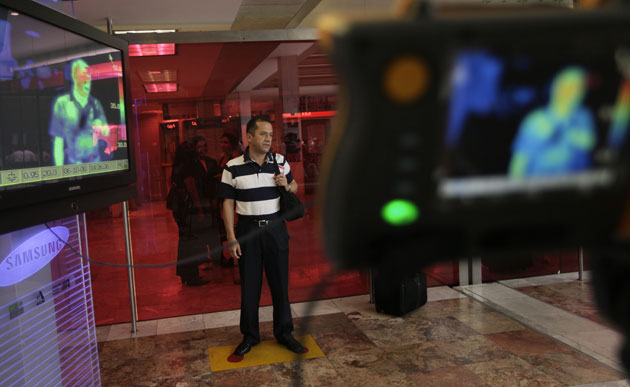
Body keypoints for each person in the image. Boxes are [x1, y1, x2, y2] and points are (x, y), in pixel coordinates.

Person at [219, 116, 306, 356]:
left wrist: (286, 186)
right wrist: (231, 236)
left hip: (276, 229)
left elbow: (295, 186)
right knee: (250, 286)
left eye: (270, 135)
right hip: (247, 231)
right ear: (249, 137)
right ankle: (250, 336)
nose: (269, 139)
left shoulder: (279, 162)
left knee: (280, 285)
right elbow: (227, 203)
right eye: (263, 134)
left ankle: (285, 333)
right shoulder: (232, 166)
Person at [509, 66, 597, 178]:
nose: (572, 91)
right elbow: (519, 161)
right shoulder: (535, 120)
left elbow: (589, 144)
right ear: (554, 87)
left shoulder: (584, 117)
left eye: (578, 87)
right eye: (566, 86)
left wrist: (567, 131)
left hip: (576, 186)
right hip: (539, 186)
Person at [49, 59, 110, 166]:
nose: (87, 82)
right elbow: (58, 141)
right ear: (75, 78)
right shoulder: (62, 103)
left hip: (96, 163)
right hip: (74, 165)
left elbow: (107, 133)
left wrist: (102, 128)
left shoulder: (95, 104)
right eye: (83, 77)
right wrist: (58, 172)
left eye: (88, 77)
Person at [171, 140, 209, 286]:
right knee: (192, 241)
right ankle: (192, 275)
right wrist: (199, 208)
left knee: (185, 241)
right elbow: (191, 187)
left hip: (179, 208)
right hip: (188, 208)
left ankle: (185, 273)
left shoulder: (177, 165)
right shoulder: (189, 166)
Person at [190, 136, 222, 266]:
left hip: (211, 200)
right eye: (199, 147)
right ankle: (204, 257)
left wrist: (215, 198)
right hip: (200, 200)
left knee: (215, 230)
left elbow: (214, 182)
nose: (202, 149)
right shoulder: (192, 164)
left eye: (204, 146)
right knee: (202, 230)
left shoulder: (211, 161)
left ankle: (217, 257)